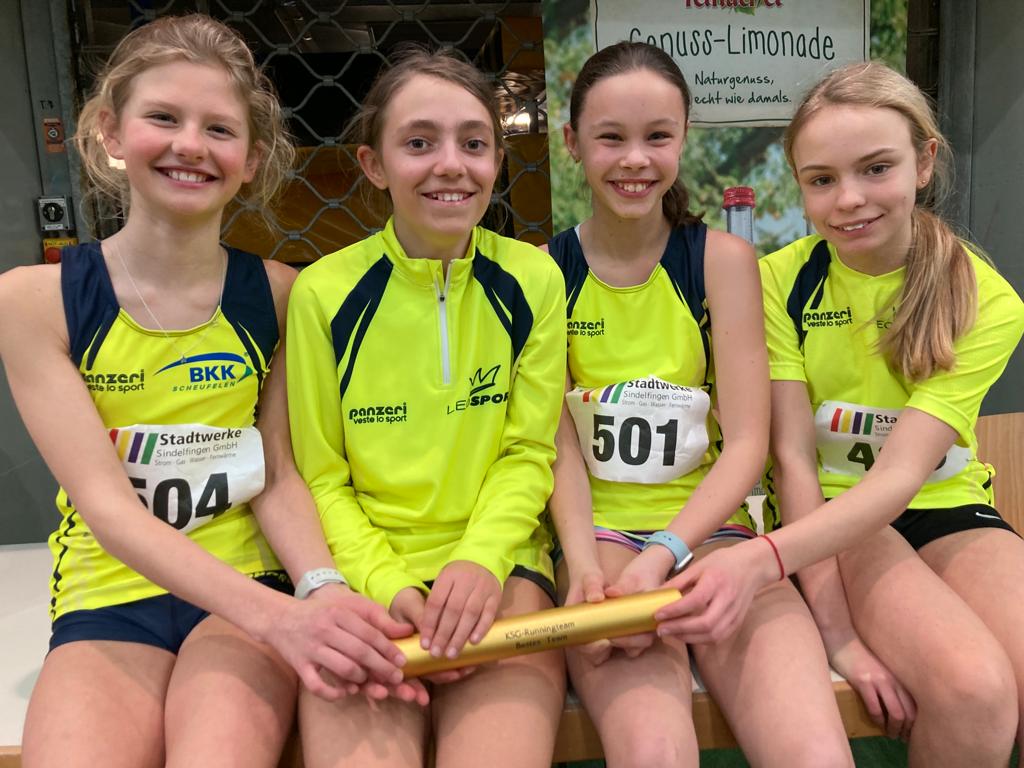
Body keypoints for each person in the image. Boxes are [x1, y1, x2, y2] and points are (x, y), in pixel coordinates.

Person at [0, 15, 422, 768]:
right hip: (108, 599)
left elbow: (279, 473)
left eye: (219, 129)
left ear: (252, 158)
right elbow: (106, 508)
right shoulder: (35, 301)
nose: (191, 145)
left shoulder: (282, 295)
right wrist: (284, 620)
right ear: (111, 132)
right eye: (163, 118)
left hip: (247, 586)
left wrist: (319, 588)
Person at [658, 62, 1024, 765]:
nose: (849, 200)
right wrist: (837, 634)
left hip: (945, 506)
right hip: (827, 513)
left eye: (876, 169)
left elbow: (903, 477)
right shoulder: (774, 281)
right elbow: (793, 459)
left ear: (924, 161)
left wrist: (761, 561)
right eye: (821, 179)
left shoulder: (987, 298)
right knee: (975, 690)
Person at [545, 41, 853, 767]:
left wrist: (667, 552)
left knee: (815, 755)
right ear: (572, 143)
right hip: (598, 546)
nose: (635, 159)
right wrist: (586, 568)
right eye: (610, 137)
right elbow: (555, 446)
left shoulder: (721, 261)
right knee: (654, 753)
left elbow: (747, 442)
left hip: (714, 538)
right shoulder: (543, 271)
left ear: (684, 137)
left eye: (657, 136)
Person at [285, 47, 567, 768]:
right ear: (373, 164)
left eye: (473, 143)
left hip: (502, 569)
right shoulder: (323, 293)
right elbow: (322, 478)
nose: (451, 165)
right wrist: (386, 587)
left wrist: (480, 562)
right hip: (364, 586)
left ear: (497, 160)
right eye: (418, 143)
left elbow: (528, 453)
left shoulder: (533, 278)